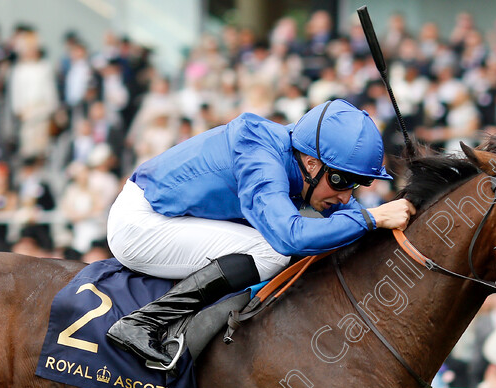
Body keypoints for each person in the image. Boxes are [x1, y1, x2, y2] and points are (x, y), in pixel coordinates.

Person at [106, 99, 415, 364]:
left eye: (355, 184)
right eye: (341, 181)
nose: (347, 194)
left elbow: (345, 210)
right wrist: (370, 219)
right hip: (140, 226)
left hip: (169, 216)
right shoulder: (261, 159)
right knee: (272, 251)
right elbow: (289, 237)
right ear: (310, 164)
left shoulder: (298, 157)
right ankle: (143, 322)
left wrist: (386, 214)